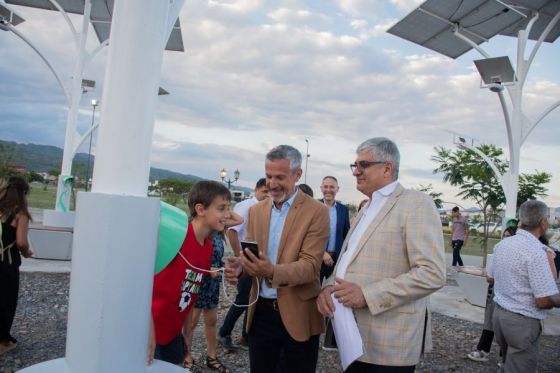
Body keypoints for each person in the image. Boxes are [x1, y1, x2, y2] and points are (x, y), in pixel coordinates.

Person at [316, 137, 446, 372]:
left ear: (387, 167)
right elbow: (347, 259)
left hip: (389, 344)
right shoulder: (366, 207)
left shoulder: (416, 204)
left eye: (363, 165)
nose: (356, 172)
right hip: (352, 337)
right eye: (355, 165)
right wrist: (327, 287)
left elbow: (432, 273)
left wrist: (368, 295)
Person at [225, 144, 329, 373]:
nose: (272, 183)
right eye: (268, 176)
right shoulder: (256, 211)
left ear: (297, 175)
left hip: (298, 315)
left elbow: (311, 267)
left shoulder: (317, 212)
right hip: (260, 313)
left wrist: (271, 271)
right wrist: (241, 267)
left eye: (280, 177)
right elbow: (252, 258)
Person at [147, 180, 231, 366]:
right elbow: (143, 285)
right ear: (200, 209)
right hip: (150, 331)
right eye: (222, 208)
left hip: (173, 334)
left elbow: (189, 292)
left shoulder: (208, 247)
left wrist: (185, 334)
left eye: (228, 208)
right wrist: (148, 331)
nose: (227, 215)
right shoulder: (177, 238)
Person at [489, 200, 560, 372]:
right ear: (543, 223)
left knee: (508, 363)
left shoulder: (502, 244)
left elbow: (491, 277)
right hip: (522, 321)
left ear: (521, 221)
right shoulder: (537, 251)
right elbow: (542, 301)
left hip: (499, 315)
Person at [218, 178, 268, 351]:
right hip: (245, 259)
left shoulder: (265, 208)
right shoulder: (246, 207)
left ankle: (246, 335)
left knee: (254, 297)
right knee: (243, 298)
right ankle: (224, 332)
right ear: (256, 190)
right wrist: (240, 256)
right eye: (264, 191)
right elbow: (232, 232)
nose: (267, 195)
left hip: (257, 259)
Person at [183, 229, 239, 373]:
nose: (226, 214)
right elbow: (188, 258)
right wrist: (208, 268)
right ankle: (187, 357)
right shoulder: (195, 230)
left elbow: (237, 219)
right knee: (191, 322)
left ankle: (211, 357)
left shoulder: (217, 231)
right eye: (221, 208)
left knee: (212, 321)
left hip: (212, 282)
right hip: (196, 279)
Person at [467, 226, 517, 363]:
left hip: (510, 295)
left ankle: (505, 358)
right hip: (494, 292)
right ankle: (483, 350)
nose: (506, 239)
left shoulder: (518, 256)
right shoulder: (498, 252)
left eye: (509, 236)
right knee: (489, 322)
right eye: (504, 236)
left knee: (506, 326)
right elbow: (489, 277)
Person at [0, 176, 34, 356]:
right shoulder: (20, 214)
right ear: (23, 193)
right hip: (6, 264)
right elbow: (21, 243)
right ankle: (3, 343)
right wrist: (28, 252)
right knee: (5, 301)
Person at [318, 176, 350, 284]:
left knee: (333, 295)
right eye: (325, 187)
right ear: (321, 188)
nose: (328, 190)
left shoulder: (344, 210)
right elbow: (307, 236)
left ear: (337, 189)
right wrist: (322, 253)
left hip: (336, 261)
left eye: (332, 187)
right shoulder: (313, 207)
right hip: (316, 259)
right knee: (313, 295)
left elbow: (346, 235)